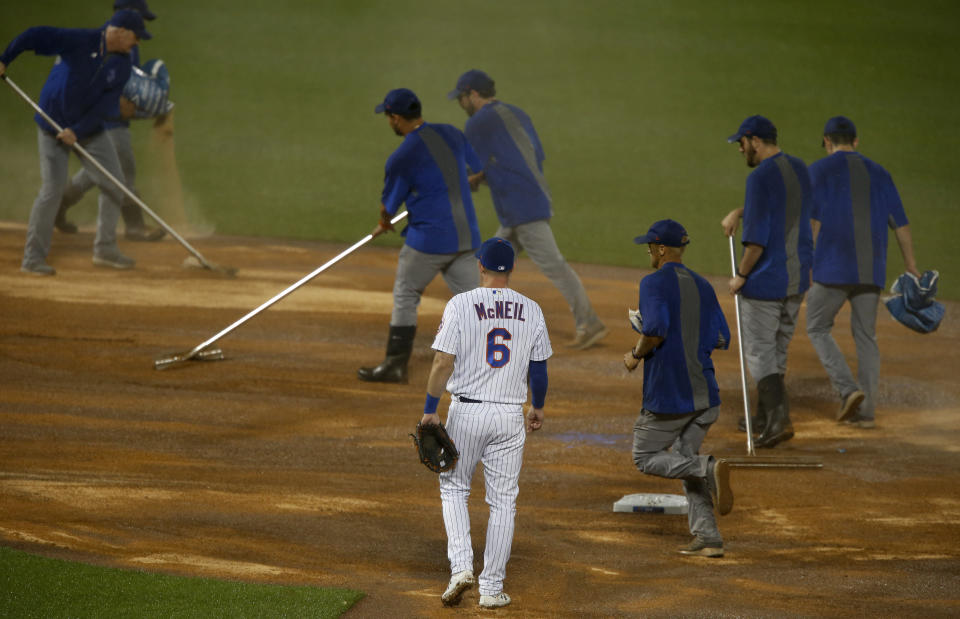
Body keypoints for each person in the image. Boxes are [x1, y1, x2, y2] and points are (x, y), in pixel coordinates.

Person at [422, 237, 551, 609]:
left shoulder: (461, 304)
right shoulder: (532, 309)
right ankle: (492, 589)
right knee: (503, 503)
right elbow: (539, 370)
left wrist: (431, 409)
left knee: (453, 488)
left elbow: (441, 363)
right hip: (510, 416)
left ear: (480, 265)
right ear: (510, 269)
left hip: (466, 413)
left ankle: (461, 567)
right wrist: (537, 407)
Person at [447, 69, 607, 350]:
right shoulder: (516, 113)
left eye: (461, 97)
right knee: (486, 264)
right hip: (525, 204)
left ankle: (589, 322)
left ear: (473, 94)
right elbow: (529, 157)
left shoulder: (477, 123)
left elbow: (471, 164)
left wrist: (468, 180)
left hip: (522, 209)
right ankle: (476, 324)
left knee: (554, 266)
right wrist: (483, 177)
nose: (461, 104)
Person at [1, 9, 151, 275]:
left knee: (115, 184)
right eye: (136, 38)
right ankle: (32, 259)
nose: (137, 44)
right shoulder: (79, 40)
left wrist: (78, 131)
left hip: (89, 129)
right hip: (51, 125)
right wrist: (5, 59)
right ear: (120, 32)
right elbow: (35, 35)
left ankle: (105, 249)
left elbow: (105, 107)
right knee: (52, 190)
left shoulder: (122, 64)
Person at [623, 219, 733, 558]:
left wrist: (635, 354)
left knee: (644, 457)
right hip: (706, 397)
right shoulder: (703, 285)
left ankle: (707, 467)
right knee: (684, 459)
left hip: (670, 397)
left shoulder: (653, 283)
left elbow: (655, 330)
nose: (648, 252)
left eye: (650, 247)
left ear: (661, 249)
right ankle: (709, 537)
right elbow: (721, 338)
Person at [358, 88, 483, 383]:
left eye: (388, 116)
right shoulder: (451, 133)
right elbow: (476, 172)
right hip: (466, 236)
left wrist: (384, 222)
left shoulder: (402, 156)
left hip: (429, 241)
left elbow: (388, 206)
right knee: (476, 304)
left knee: (406, 293)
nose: (389, 121)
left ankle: (395, 365)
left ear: (397, 118)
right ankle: (497, 366)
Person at [806, 116, 921, 429]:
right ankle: (866, 412)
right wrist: (911, 265)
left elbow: (812, 220)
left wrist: (808, 262)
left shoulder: (818, 170)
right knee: (866, 337)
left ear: (828, 142)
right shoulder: (881, 173)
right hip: (872, 272)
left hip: (831, 267)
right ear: (855, 142)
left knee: (817, 326)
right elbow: (901, 223)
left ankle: (848, 389)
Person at [721, 115, 813, 448]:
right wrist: (741, 211)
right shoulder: (800, 168)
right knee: (777, 349)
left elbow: (756, 241)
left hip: (765, 282)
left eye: (742, 143)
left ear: (755, 141)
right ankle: (763, 415)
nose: (740, 150)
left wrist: (741, 275)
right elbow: (790, 207)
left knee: (759, 353)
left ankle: (779, 418)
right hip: (797, 279)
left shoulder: (759, 178)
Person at [54, 0, 165, 243]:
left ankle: (58, 204)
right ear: (129, 14)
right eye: (140, 17)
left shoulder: (105, 37)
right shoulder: (121, 44)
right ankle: (134, 228)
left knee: (99, 169)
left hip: (99, 118)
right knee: (122, 171)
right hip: (107, 119)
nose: (143, 24)